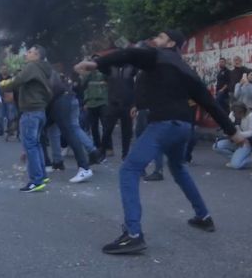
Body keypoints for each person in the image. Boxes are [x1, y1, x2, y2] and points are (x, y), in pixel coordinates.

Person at [74, 30, 243, 255]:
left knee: (129, 170)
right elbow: (209, 102)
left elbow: (128, 54)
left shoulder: (157, 55)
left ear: (171, 43)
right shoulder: (185, 69)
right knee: (178, 168)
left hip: (164, 124)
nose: (155, 39)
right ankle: (203, 217)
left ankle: (133, 235)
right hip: (183, 126)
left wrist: (96, 63)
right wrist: (233, 132)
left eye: (161, 37)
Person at [0, 45, 53, 193]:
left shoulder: (32, 66)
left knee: (30, 145)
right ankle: (42, 176)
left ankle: (36, 181)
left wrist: (2, 85)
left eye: (29, 52)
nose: (26, 54)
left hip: (30, 112)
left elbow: (18, 80)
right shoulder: (43, 68)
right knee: (36, 144)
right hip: (39, 111)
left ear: (37, 55)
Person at [103, 64, 136, 160]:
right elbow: (105, 81)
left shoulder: (132, 68)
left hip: (127, 103)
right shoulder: (111, 68)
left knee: (126, 131)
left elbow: (135, 85)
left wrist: (134, 104)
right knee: (107, 128)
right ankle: (103, 150)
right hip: (113, 103)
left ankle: (125, 153)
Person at [213, 102, 252, 169]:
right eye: (233, 112)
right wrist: (228, 134)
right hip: (234, 140)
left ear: (241, 112)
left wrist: (238, 135)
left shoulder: (251, 116)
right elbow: (228, 127)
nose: (233, 114)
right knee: (216, 146)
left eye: (235, 113)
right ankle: (235, 159)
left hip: (246, 142)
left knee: (236, 166)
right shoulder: (232, 114)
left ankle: (250, 160)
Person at [81, 56, 109, 162]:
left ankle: (104, 149)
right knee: (94, 128)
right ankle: (97, 150)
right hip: (91, 103)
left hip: (103, 102)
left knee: (106, 127)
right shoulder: (89, 74)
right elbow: (83, 85)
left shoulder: (105, 71)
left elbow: (110, 81)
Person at [0, 64, 17, 138]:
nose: (4, 70)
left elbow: (14, 87)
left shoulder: (10, 78)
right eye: (3, 69)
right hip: (0, 99)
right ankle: (1, 130)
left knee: (10, 116)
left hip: (9, 99)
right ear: (0, 70)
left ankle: (9, 130)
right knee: (0, 116)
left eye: (5, 69)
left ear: (7, 70)